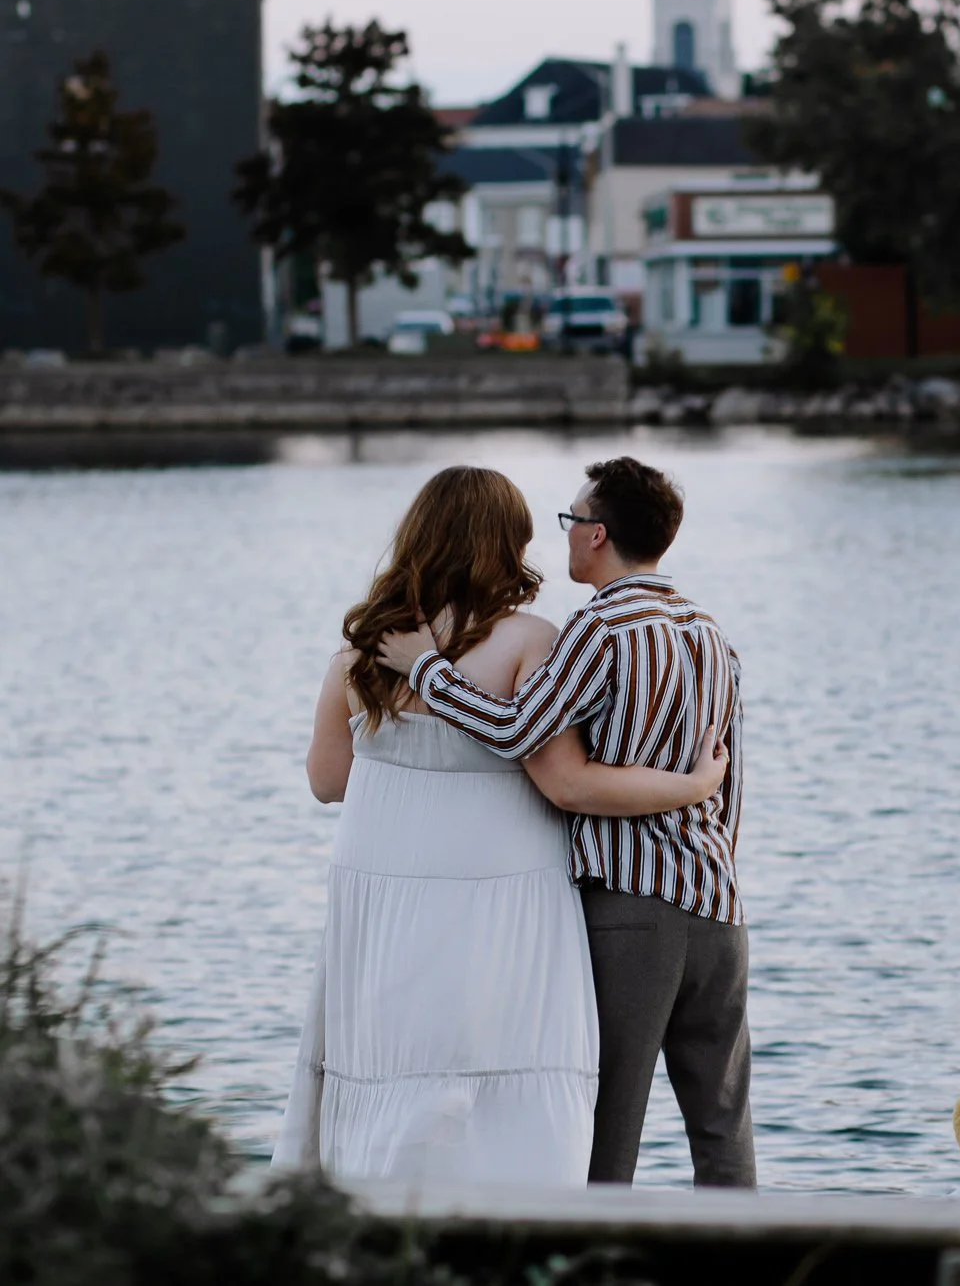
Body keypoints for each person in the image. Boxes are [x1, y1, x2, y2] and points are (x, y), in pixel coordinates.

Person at [276, 466, 727, 1186]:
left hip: (383, 889)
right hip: (504, 888)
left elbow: (327, 781)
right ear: (507, 544)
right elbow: (565, 778)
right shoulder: (529, 639)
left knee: (389, 1055)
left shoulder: (363, 648)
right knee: (498, 1063)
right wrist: (696, 785)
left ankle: (379, 1205)